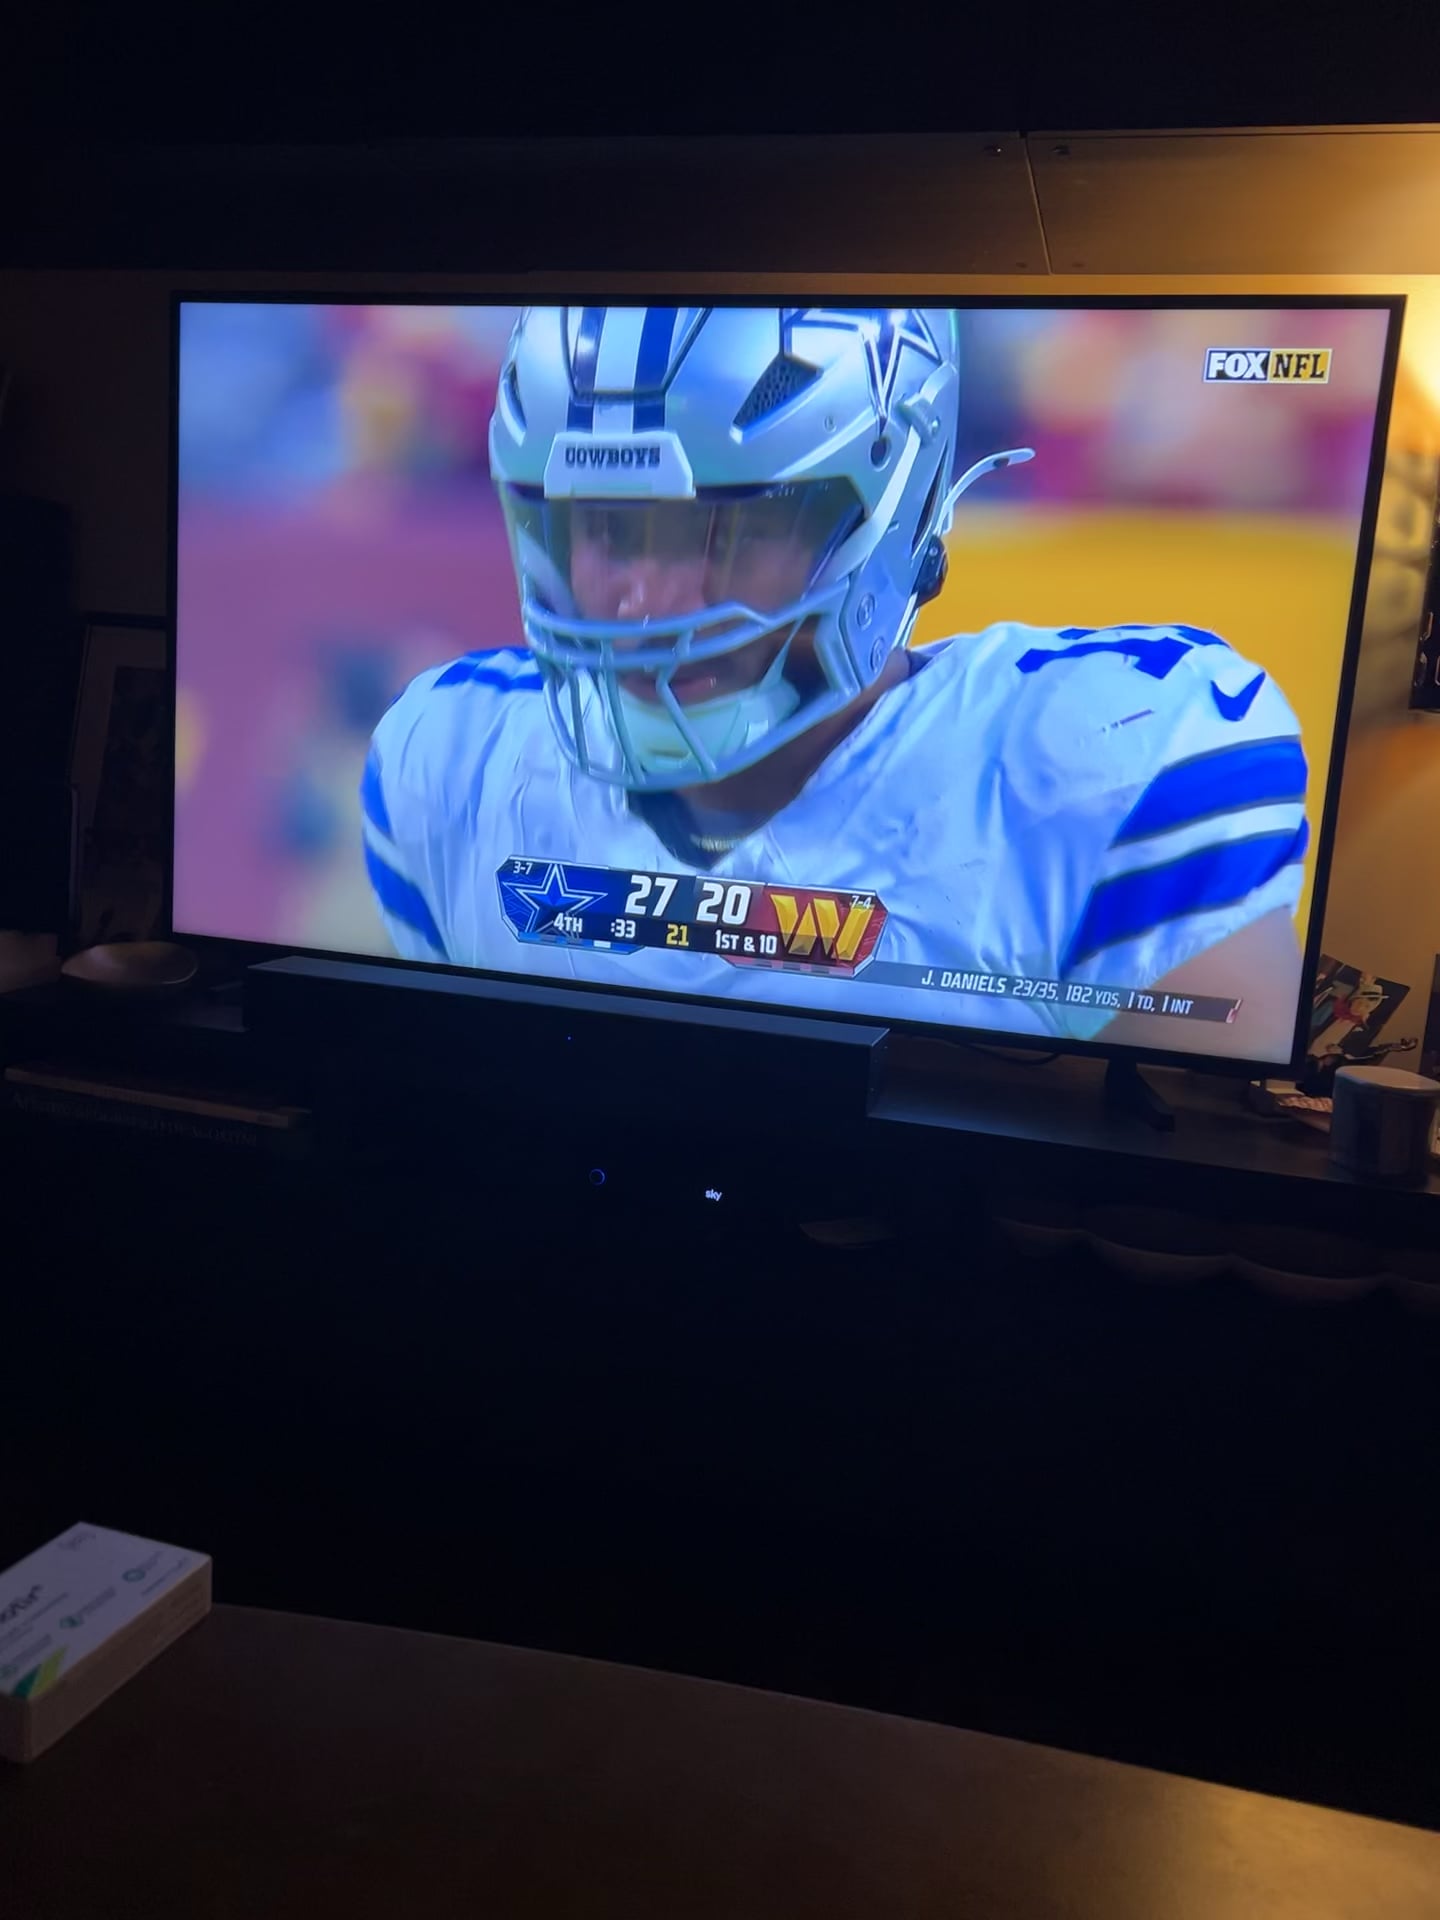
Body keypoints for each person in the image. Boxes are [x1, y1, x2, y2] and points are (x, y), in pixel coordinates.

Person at [362, 305, 1309, 1050]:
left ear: (893, 505)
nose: (645, 599)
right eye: (604, 525)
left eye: (725, 527)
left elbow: (1194, 1190)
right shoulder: (453, 765)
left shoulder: (1104, 758)